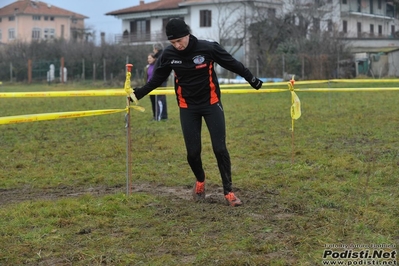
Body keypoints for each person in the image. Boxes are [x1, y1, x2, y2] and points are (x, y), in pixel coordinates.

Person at [130, 18, 263, 206]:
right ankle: (200, 180)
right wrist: (138, 94)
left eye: (179, 41)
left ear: (187, 34)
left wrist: (252, 79)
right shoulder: (168, 55)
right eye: (173, 42)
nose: (177, 45)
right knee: (193, 153)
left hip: (211, 104)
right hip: (187, 107)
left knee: (220, 148)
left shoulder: (207, 48)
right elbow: (157, 80)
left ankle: (229, 192)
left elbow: (232, 63)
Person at [144, 53, 168, 121]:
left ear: (154, 59)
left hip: (157, 86)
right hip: (149, 87)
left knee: (159, 101)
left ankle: (161, 116)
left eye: (150, 58)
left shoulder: (157, 66)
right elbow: (146, 77)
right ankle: (155, 116)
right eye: (148, 58)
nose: (149, 60)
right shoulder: (147, 67)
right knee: (153, 102)